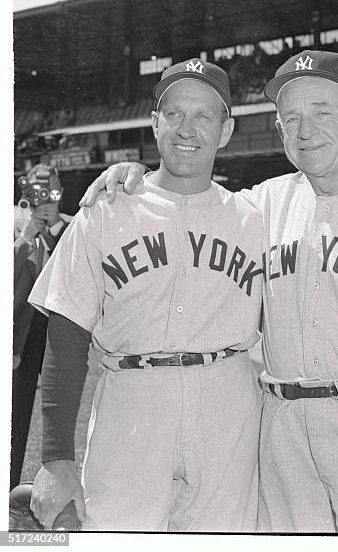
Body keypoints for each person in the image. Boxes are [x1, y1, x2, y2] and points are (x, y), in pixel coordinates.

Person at [80, 50, 338, 533]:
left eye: (321, 112)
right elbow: (189, 195)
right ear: (280, 131)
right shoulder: (261, 205)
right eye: (291, 118)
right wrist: (135, 176)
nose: (305, 129)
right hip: (284, 434)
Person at [28, 59, 264, 531]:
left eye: (204, 116)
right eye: (174, 114)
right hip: (132, 402)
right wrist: (55, 459)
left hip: (227, 402)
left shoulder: (255, 216)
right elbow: (67, 337)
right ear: (154, 123)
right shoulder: (104, 209)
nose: (187, 129)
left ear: (227, 129)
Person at [12, 165, 72, 491]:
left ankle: (58, 491)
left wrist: (55, 227)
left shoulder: (71, 226)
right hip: (21, 333)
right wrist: (25, 236)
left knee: (61, 420)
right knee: (14, 419)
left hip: (60, 335)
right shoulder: (14, 224)